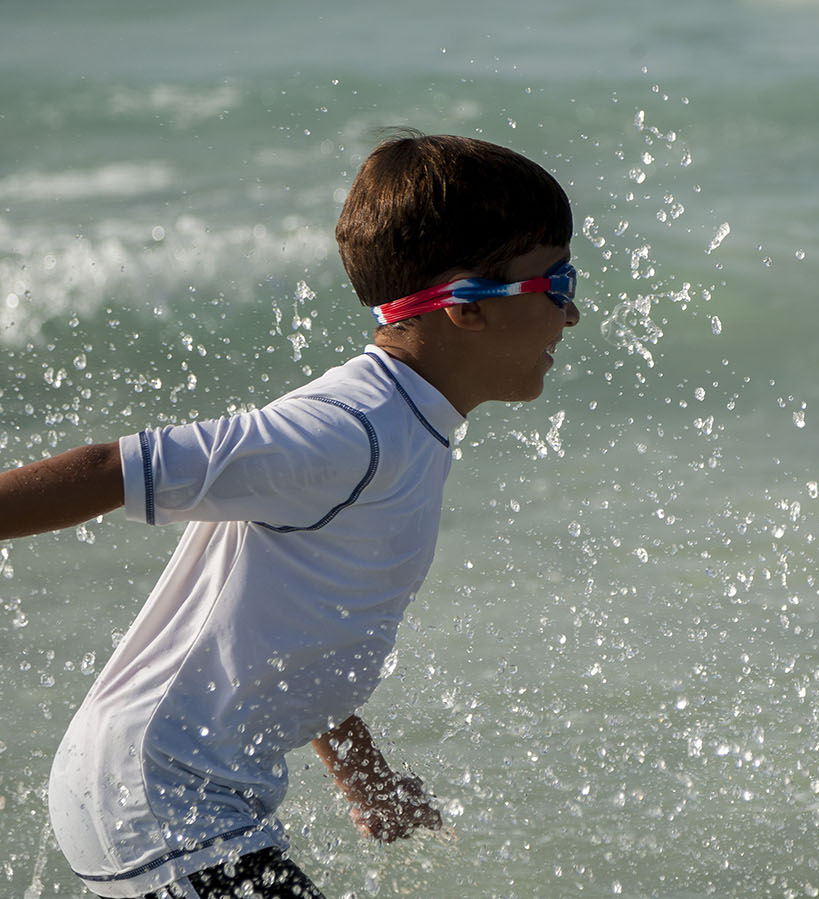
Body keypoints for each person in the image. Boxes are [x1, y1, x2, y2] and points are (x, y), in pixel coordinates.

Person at [0, 131, 580, 898]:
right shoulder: (349, 428)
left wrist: (364, 776)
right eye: (557, 281)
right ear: (466, 304)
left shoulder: (404, 427)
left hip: (182, 797)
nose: (572, 314)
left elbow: (304, 633)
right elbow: (115, 468)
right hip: (160, 799)